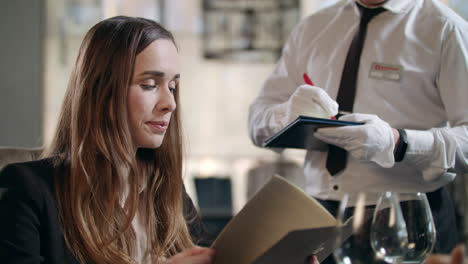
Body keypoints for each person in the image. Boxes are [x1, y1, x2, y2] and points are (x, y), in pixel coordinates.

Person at [248, 0, 468, 259]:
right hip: (315, 216)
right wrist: (286, 113)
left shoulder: (445, 29)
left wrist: (398, 143)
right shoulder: (313, 27)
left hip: (409, 216)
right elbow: (256, 126)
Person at [0, 16, 215, 264]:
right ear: (102, 93)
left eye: (173, 86)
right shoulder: (28, 189)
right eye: (149, 84)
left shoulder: (167, 189)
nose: (170, 103)